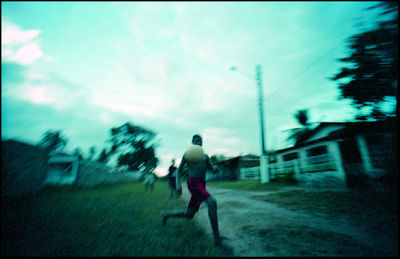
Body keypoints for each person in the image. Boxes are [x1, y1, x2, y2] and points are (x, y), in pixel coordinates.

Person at [161, 134, 229, 249]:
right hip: (193, 183)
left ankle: (166, 215)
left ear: (202, 143)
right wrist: (178, 184)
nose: (198, 142)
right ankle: (217, 239)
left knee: (189, 214)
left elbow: (213, 170)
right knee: (212, 203)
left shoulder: (206, 157)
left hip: (201, 185)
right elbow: (179, 171)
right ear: (193, 143)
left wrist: (216, 169)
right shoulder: (188, 155)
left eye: (200, 141)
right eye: (196, 140)